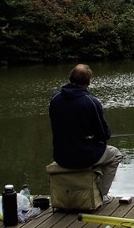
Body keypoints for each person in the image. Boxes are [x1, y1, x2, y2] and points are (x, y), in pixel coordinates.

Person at [49, 64, 123, 204]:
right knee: (115, 155)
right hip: (83, 156)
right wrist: (92, 136)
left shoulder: (55, 98)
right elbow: (104, 134)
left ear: (70, 78)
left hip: (60, 155)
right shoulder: (91, 102)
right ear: (89, 82)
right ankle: (101, 195)